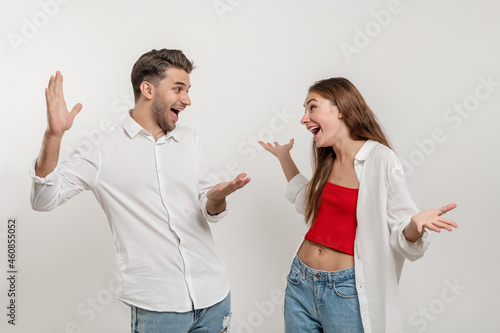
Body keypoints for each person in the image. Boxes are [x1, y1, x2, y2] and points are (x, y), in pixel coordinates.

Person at [30, 49, 250, 333]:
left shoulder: (190, 140)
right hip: (158, 306)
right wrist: (54, 136)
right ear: (148, 89)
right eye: (178, 89)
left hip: (214, 295)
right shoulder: (101, 148)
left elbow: (209, 207)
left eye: (188, 90)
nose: (187, 100)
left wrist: (215, 199)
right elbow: (43, 200)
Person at [259, 77, 457, 333]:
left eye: (312, 107)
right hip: (300, 281)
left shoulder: (381, 159)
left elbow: (402, 233)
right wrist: (284, 157)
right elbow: (306, 202)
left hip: (346, 291)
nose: (304, 118)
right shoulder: (328, 158)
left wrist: (414, 225)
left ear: (340, 109)